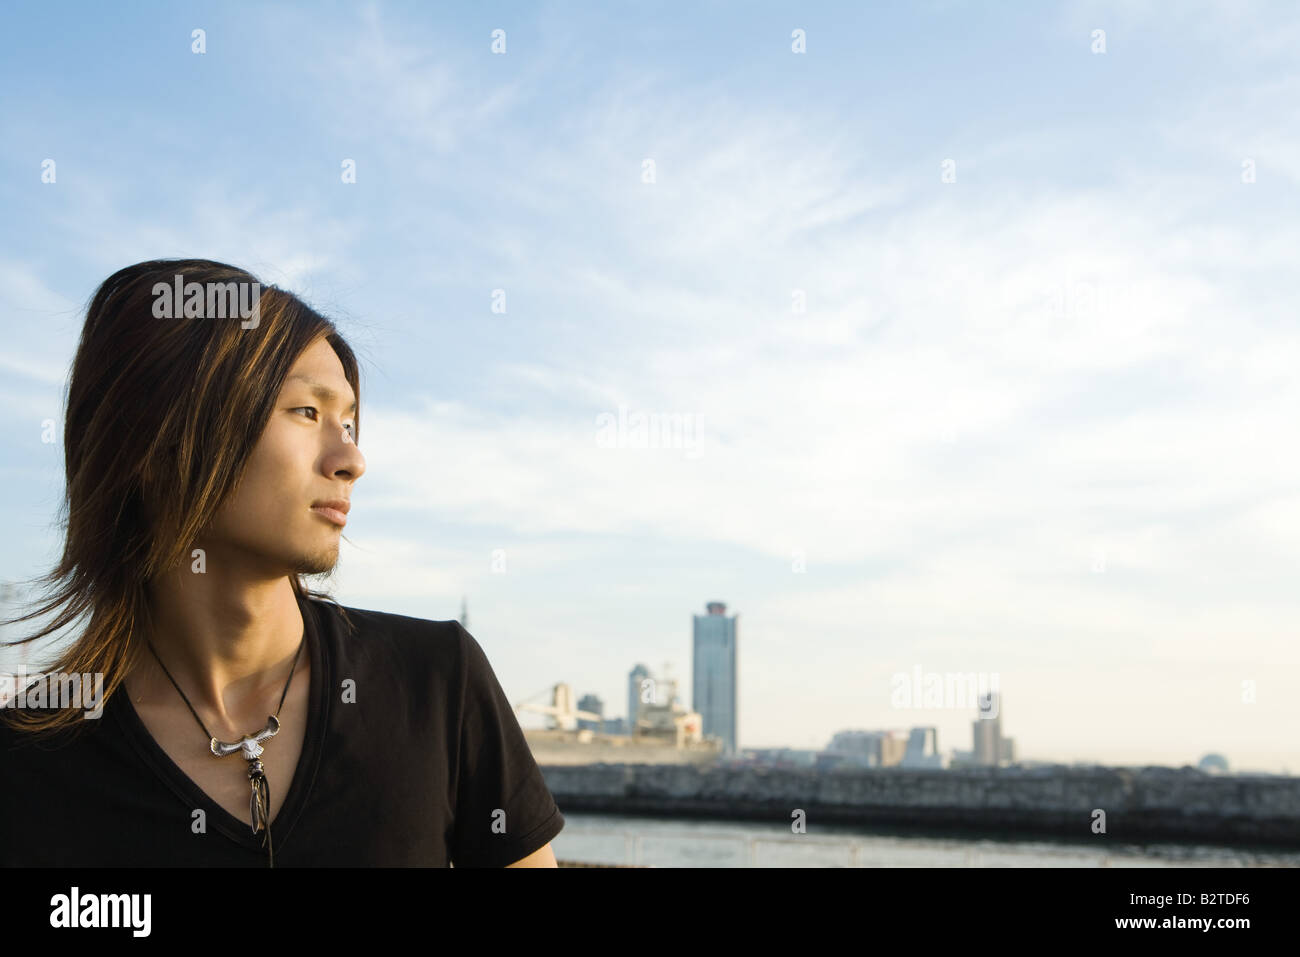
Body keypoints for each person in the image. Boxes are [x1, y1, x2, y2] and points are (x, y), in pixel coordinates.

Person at [0, 259, 564, 867]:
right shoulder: (29, 759)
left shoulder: (437, 683)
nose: (352, 458)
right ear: (162, 436)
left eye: (349, 421)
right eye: (306, 412)